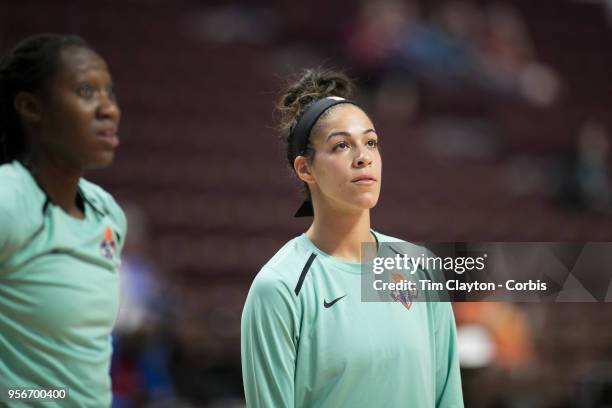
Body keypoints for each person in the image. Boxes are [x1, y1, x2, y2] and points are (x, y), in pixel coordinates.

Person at [240, 68, 464, 407]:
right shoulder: (280, 287)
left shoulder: (420, 268)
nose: (364, 157)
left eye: (371, 142)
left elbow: (448, 398)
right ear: (305, 169)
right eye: (342, 145)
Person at [0, 34, 126, 407]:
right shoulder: (9, 199)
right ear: (30, 107)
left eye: (111, 93)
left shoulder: (108, 213)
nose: (109, 109)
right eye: (87, 91)